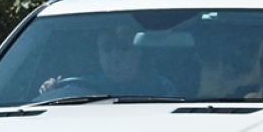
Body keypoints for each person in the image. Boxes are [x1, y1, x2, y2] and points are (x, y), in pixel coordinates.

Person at [36, 23, 178, 99]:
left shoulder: (160, 87)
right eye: (107, 48)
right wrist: (51, 91)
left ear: (138, 52)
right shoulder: (79, 87)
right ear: (99, 53)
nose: (115, 56)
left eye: (123, 48)